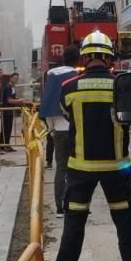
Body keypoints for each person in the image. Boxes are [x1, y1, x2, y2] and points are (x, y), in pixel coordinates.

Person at [50, 31, 131, 261]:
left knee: (74, 227)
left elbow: (68, 117)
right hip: (117, 169)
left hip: (79, 171)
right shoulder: (123, 86)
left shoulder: (68, 87)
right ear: (109, 58)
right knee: (126, 226)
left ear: (85, 57)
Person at [38, 45, 79, 216]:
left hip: (58, 131)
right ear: (77, 59)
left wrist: (52, 129)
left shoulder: (52, 77)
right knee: (77, 169)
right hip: (75, 130)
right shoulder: (76, 76)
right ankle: (76, 204)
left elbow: (46, 105)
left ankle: (59, 207)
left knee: (60, 167)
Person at [1, 72, 31, 151]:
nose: (16, 80)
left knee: (8, 128)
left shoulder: (12, 87)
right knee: (6, 128)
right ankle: (3, 145)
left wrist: (19, 100)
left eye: (17, 78)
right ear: (10, 78)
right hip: (7, 111)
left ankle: (6, 145)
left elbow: (12, 98)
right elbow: (9, 100)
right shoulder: (8, 87)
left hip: (10, 111)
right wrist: (19, 101)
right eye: (15, 78)